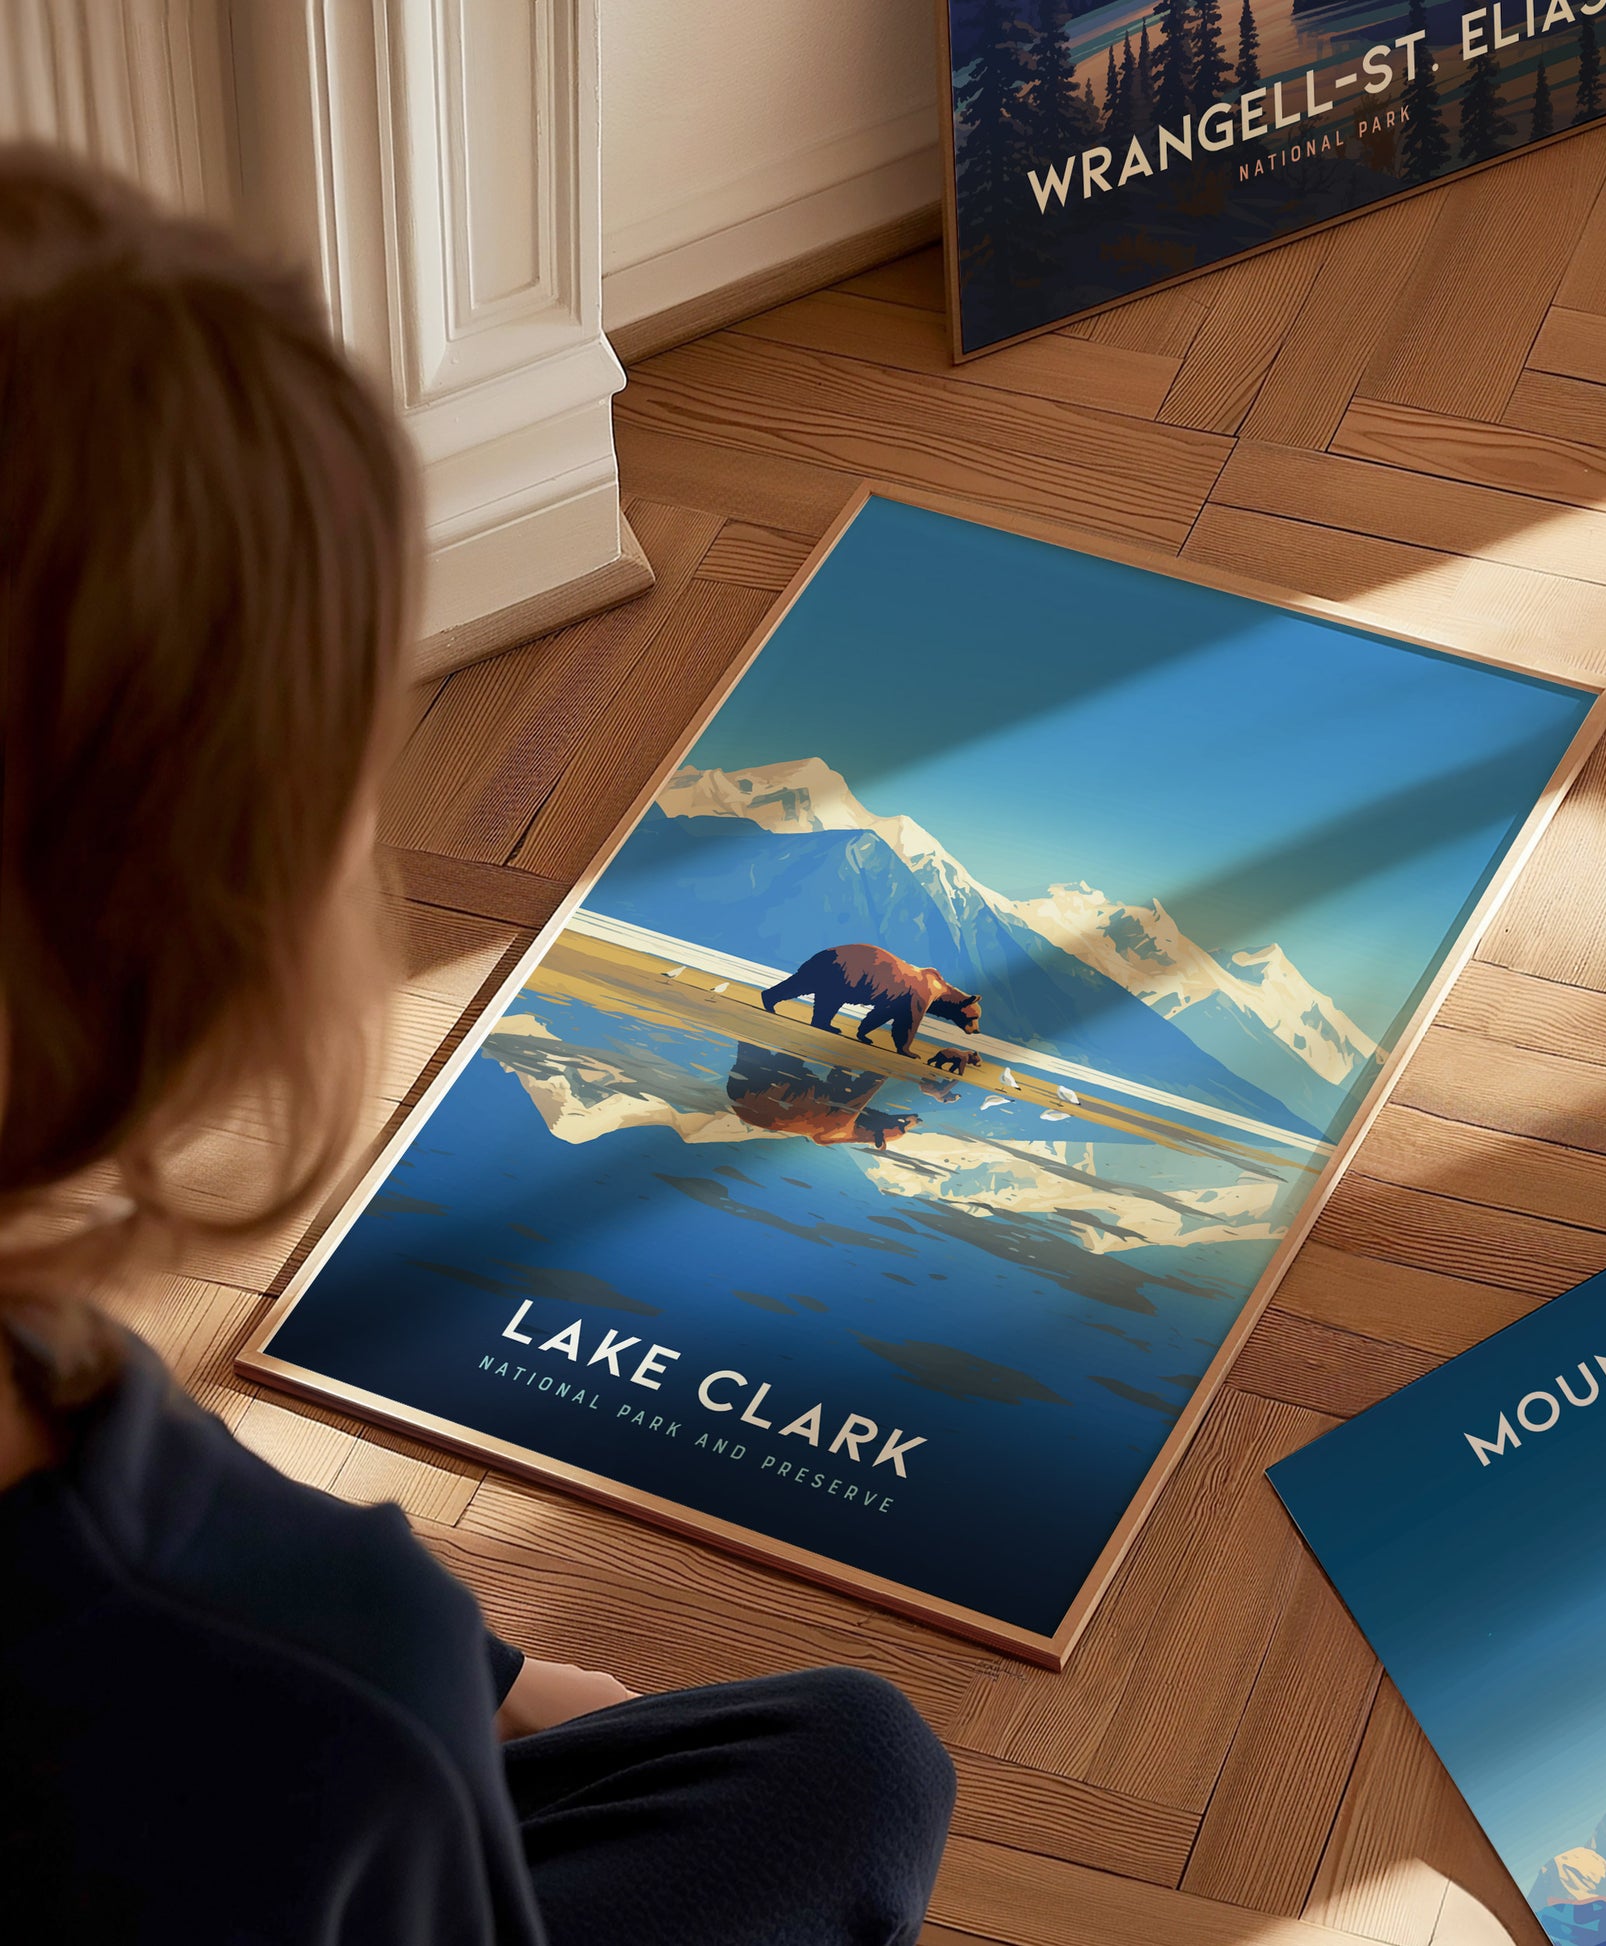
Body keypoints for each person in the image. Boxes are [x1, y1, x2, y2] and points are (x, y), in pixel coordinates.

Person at [0, 145, 956, 1944]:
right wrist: (427, 1686)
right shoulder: (312, 1705)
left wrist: (481, 1666)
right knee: (851, 1770)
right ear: (214, 927)